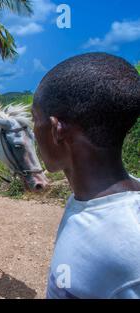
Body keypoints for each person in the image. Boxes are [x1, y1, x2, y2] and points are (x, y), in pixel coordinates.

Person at [32, 52, 140, 299]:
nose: (33, 131)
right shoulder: (86, 200)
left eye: (34, 119)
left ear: (56, 129)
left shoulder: (129, 255)